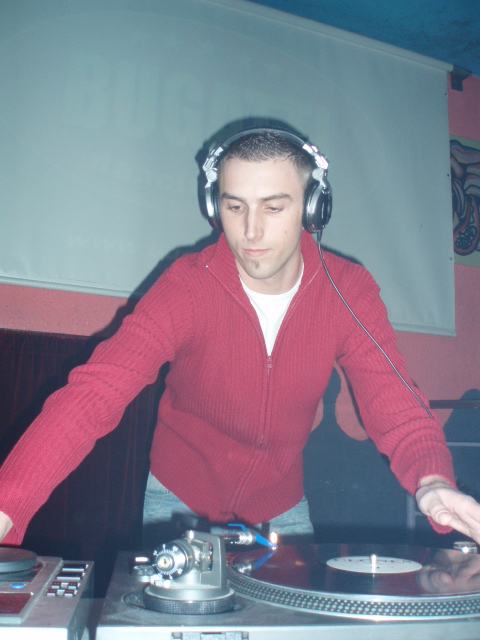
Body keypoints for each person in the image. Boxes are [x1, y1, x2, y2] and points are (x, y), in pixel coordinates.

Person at [1, 128, 480, 548]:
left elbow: (393, 400)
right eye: (235, 207)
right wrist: (8, 502)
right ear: (215, 208)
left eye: (274, 207)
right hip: (177, 505)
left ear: (313, 206)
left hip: (282, 510)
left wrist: (432, 479)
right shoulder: (186, 287)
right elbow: (95, 392)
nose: (251, 231)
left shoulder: (347, 290)